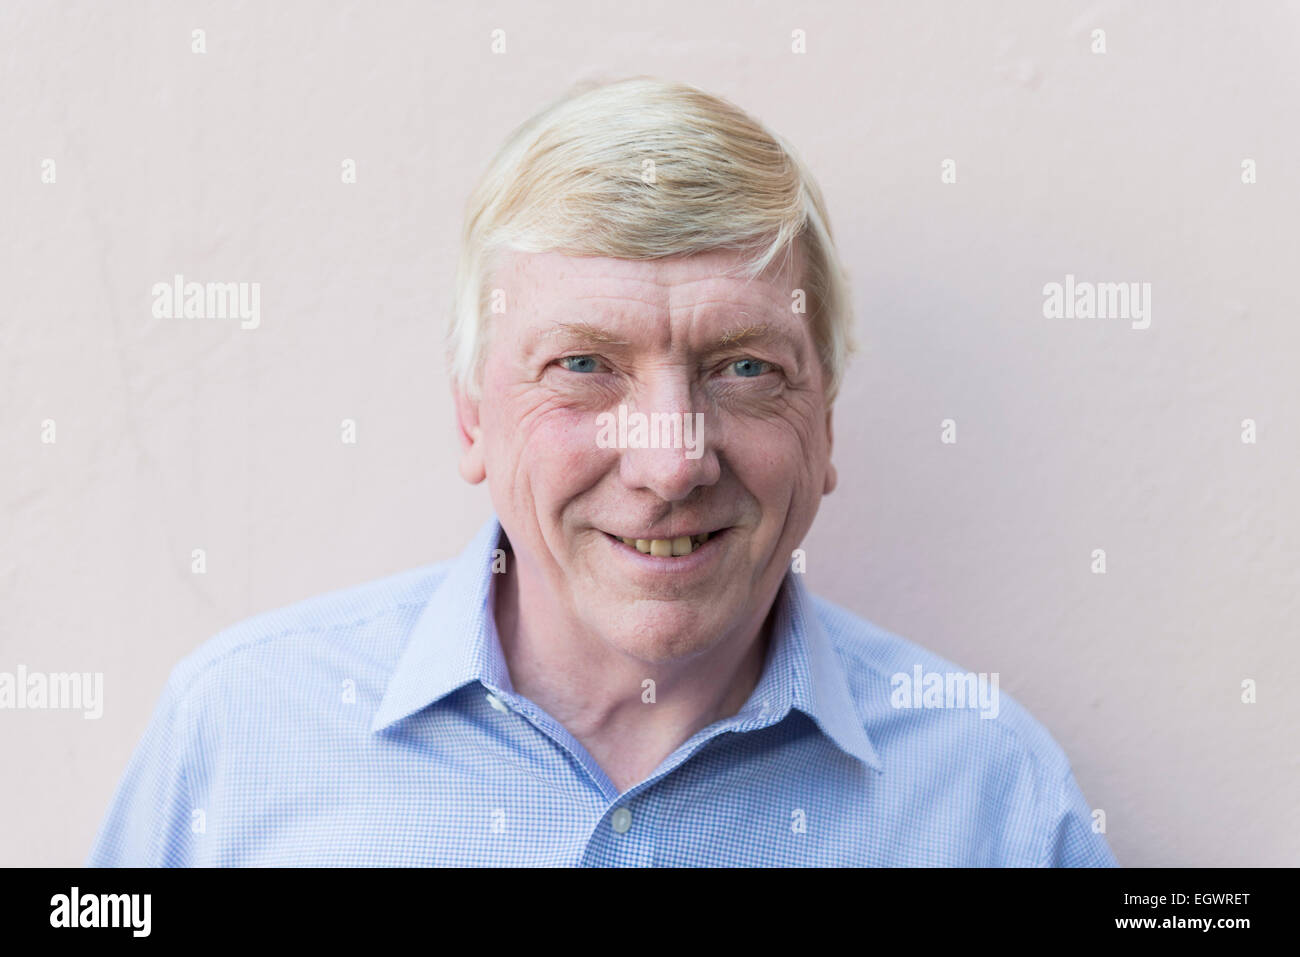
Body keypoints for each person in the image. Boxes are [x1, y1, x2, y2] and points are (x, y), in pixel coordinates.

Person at [88, 76, 1117, 867]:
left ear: (825, 424)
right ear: (471, 418)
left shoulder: (989, 795)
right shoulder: (238, 732)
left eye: (746, 368)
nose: (671, 463)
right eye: (581, 366)